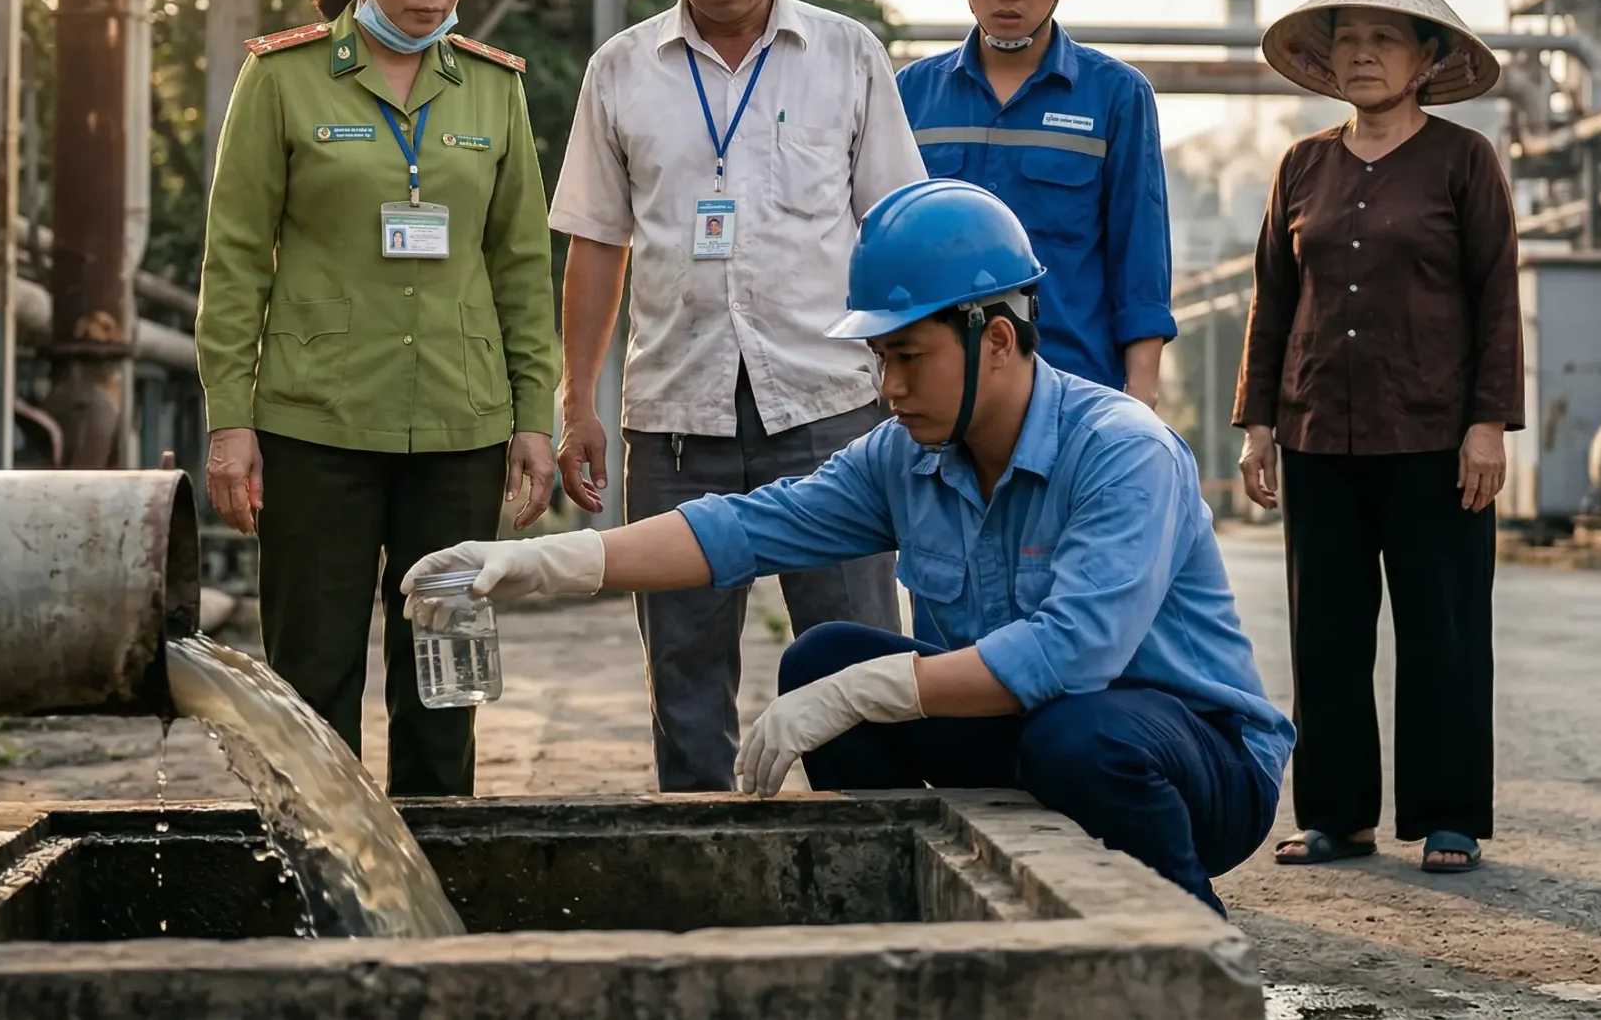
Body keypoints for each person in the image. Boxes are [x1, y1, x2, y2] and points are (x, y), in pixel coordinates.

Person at [406, 181, 1290, 914]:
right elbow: (744, 528)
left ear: (1000, 339)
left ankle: (1188, 945)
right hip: (1031, 732)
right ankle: (909, 911)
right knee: (823, 657)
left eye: (908, 358)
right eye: (879, 361)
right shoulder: (906, 455)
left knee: (1067, 730)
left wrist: (877, 688)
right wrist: (544, 564)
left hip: (1190, 756)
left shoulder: (1118, 449)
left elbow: (1074, 652)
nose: (888, 388)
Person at [549, 0, 926, 792]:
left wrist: (908, 391)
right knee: (684, 672)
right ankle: (698, 859)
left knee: (857, 665)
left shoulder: (848, 57)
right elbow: (596, 241)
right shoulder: (621, 72)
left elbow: (897, 232)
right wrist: (576, 398)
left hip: (829, 417)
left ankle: (869, 852)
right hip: (675, 421)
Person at [197, 0, 559, 798]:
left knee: (448, 681)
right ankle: (317, 892)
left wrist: (534, 417)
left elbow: (521, 262)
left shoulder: (494, 88)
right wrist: (230, 421)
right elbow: (234, 260)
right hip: (317, 422)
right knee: (311, 683)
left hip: (462, 426)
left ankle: (440, 882)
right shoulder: (284, 79)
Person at [1235, 0, 1523, 874]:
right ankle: (1335, 815)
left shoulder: (1463, 161)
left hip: (1435, 438)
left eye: (1383, 39)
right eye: (1347, 40)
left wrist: (1489, 424)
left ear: (1427, 59)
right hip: (1319, 433)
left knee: (1442, 630)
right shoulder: (1302, 166)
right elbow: (1271, 300)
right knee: (1325, 630)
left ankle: (1448, 816)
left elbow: (1495, 300)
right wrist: (1258, 424)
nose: (1360, 56)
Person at [898, 0, 1175, 401]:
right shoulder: (910, 96)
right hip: (938, 400)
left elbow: (1139, 269)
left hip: (1072, 397)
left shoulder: (1117, 97)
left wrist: (1139, 404)